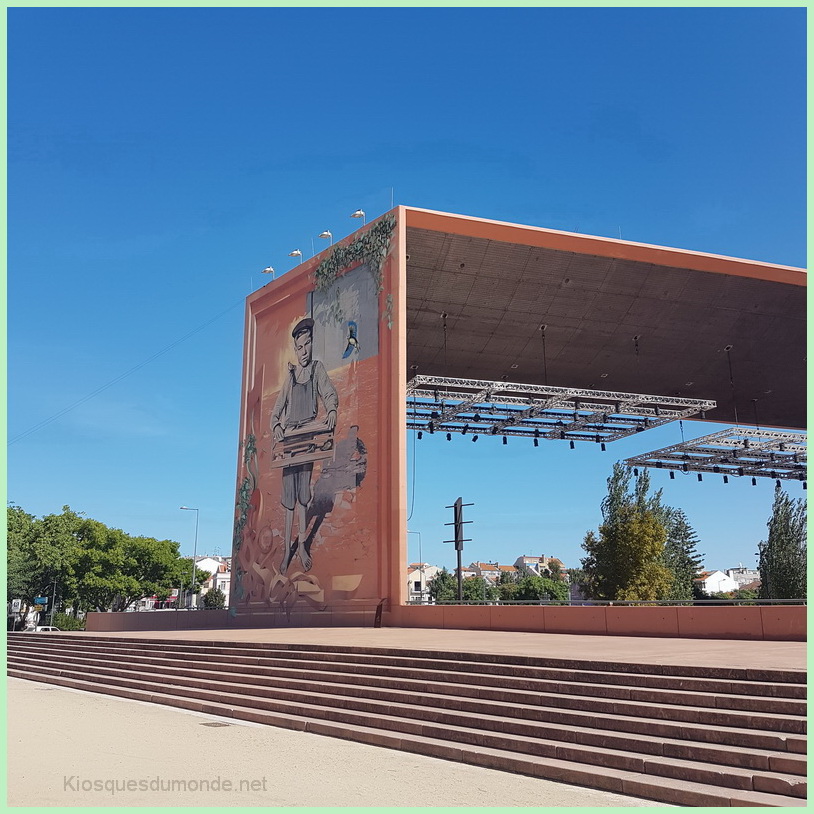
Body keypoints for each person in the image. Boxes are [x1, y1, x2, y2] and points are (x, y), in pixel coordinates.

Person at [270, 318, 338, 573]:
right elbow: (277, 410)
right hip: (290, 443)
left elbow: (329, 392)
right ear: (295, 349)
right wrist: (276, 425)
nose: (304, 351)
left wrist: (331, 409)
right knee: (289, 499)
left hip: (308, 439)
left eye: (308, 344)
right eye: (299, 347)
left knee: (302, 497)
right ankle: (288, 548)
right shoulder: (290, 376)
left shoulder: (317, 370)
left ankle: (301, 547)